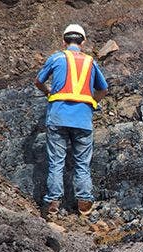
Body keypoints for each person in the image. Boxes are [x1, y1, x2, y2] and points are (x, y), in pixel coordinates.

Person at [35, 24, 108, 216]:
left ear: (64, 41)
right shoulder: (90, 62)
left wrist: (48, 92)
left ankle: (53, 202)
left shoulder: (56, 57)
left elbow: (38, 81)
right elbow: (103, 89)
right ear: (83, 42)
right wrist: (92, 102)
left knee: (56, 162)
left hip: (58, 117)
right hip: (83, 119)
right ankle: (84, 202)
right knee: (82, 164)